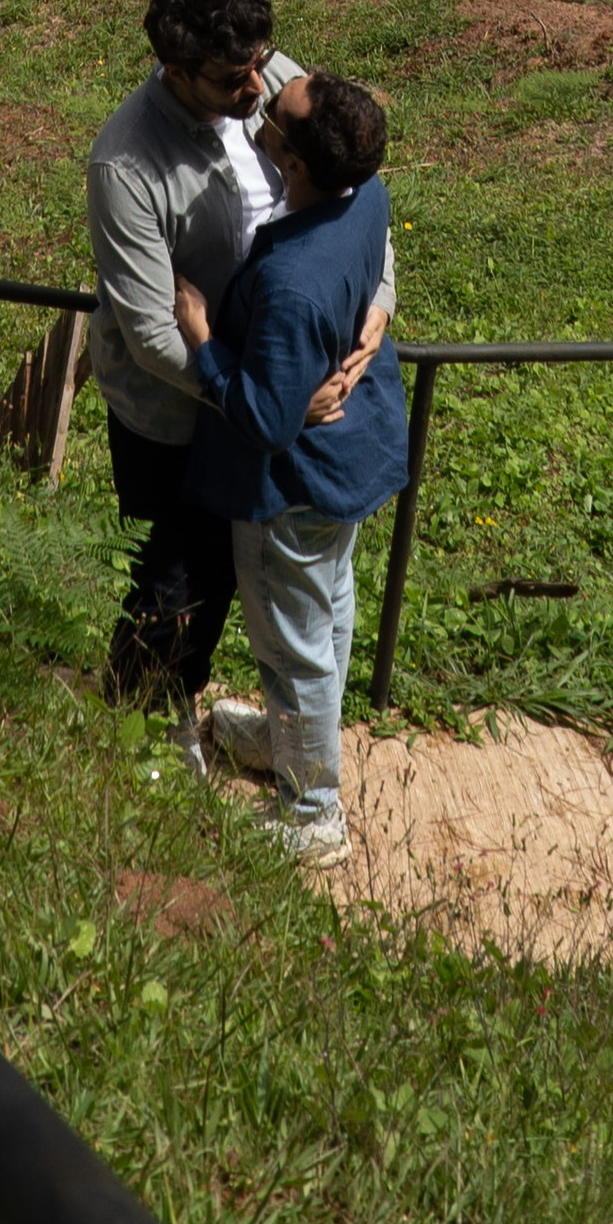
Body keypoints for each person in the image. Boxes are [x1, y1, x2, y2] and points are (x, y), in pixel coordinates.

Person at [84, 0, 388, 745]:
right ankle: (146, 732)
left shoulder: (275, 82)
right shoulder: (125, 165)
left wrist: (379, 304)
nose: (260, 83)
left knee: (274, 581)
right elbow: (155, 335)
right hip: (180, 412)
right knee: (177, 584)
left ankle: (272, 732)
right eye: (232, 77)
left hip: (265, 394)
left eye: (263, 59)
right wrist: (259, 399)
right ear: (175, 70)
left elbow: (357, 181)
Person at [172, 69, 408, 872]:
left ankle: (313, 814)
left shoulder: (289, 285)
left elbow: (268, 420)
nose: (263, 106)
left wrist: (204, 339)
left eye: (277, 112)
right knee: (330, 609)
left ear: (296, 164)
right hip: (352, 461)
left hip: (291, 489)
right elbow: (373, 274)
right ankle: (287, 741)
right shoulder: (365, 191)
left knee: (292, 645)